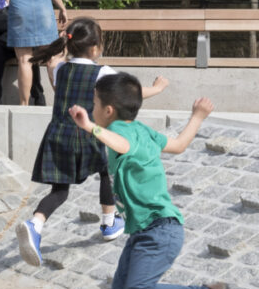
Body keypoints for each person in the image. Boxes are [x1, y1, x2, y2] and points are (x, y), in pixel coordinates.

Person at [65, 75, 235, 289]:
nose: (91, 109)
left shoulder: (119, 132)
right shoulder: (142, 130)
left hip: (159, 229)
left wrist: (89, 127)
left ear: (108, 111)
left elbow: (121, 143)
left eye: (94, 105)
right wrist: (197, 116)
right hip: (147, 231)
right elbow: (180, 145)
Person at [16, 19, 170, 266]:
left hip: (58, 134)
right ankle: (109, 223)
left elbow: (58, 81)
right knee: (107, 173)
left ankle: (35, 224)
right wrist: (157, 88)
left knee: (59, 191)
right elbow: (130, 94)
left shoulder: (59, 69)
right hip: (89, 133)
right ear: (96, 48)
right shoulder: (102, 72)